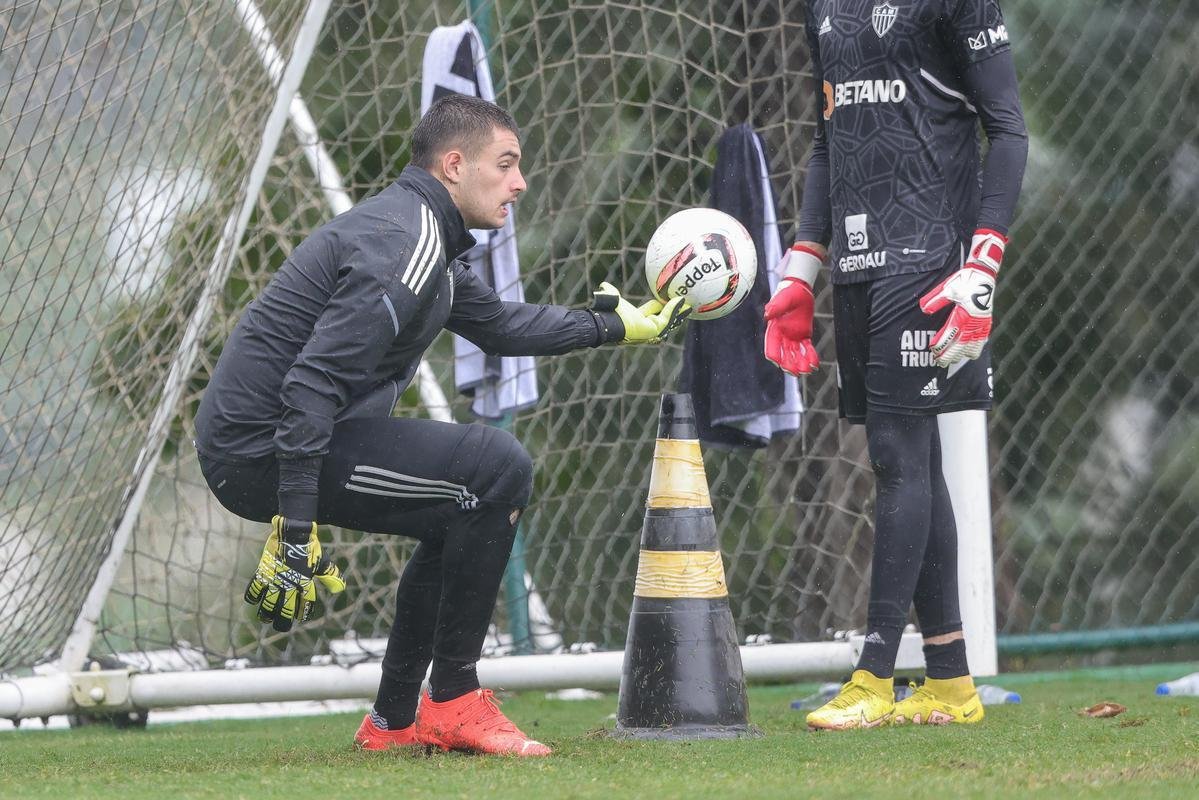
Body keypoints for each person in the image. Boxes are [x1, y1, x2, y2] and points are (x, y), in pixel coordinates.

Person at [194, 94, 689, 756]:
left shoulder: (425, 237)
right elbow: (310, 384)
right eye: (505, 164)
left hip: (277, 440)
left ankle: (393, 723)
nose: (520, 182)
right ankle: (454, 700)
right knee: (496, 467)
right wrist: (296, 526)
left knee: (459, 503)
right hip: (261, 450)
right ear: (454, 166)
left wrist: (611, 325)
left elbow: (499, 324)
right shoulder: (405, 244)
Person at [764, 0, 1027, 729]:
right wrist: (802, 268)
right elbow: (828, 142)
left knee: (894, 453)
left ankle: (874, 675)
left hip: (933, 256)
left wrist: (983, 263)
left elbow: (1008, 130)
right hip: (855, 263)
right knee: (910, 455)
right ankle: (950, 681)